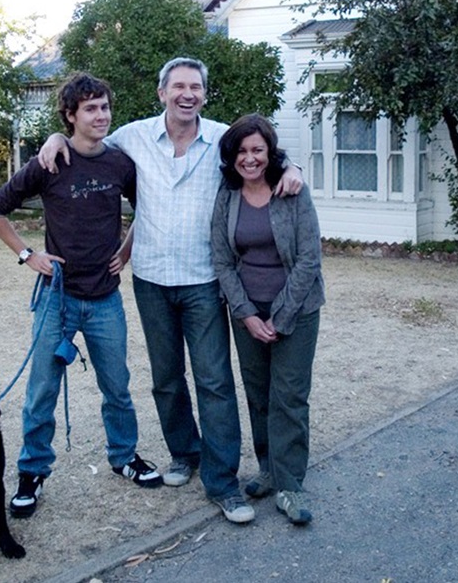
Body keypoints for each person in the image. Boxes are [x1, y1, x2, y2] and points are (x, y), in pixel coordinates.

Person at [39, 58, 303, 523]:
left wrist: (293, 165)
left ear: (204, 94)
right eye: (178, 86)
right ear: (161, 93)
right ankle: (185, 453)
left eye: (195, 87)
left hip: (204, 281)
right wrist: (56, 137)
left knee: (215, 382)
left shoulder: (223, 139)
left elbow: (263, 158)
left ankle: (223, 484)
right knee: (165, 378)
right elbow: (85, 143)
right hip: (151, 280)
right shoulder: (132, 138)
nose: (187, 94)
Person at [0, 72, 162, 520]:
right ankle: (32, 472)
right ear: (70, 116)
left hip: (105, 299)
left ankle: (124, 457)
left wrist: (127, 249)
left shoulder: (120, 164)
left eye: (104, 107)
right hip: (56, 298)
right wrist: (28, 254)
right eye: (90, 109)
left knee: (116, 386)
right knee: (42, 390)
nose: (100, 116)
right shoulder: (50, 162)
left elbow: (151, 209)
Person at [210, 114, 325, 525]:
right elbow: (222, 260)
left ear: (270, 152)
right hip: (248, 313)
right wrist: (245, 314)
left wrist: (279, 316)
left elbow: (309, 258)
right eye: (242, 151)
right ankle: (269, 468)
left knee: (289, 397)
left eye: (257, 149)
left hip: (296, 311)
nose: (250, 158)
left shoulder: (291, 191)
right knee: (258, 394)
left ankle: (290, 486)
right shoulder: (228, 194)